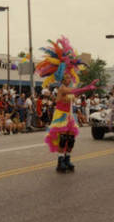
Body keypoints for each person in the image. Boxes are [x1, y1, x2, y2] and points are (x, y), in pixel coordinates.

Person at [35, 36, 98, 173]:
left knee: (70, 139)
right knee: (62, 138)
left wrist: (88, 88)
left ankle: (67, 159)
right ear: (62, 79)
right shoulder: (62, 88)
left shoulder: (67, 89)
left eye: (69, 77)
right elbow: (74, 90)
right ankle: (60, 162)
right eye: (66, 77)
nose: (69, 79)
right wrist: (87, 87)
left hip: (69, 115)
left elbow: (73, 94)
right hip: (61, 115)